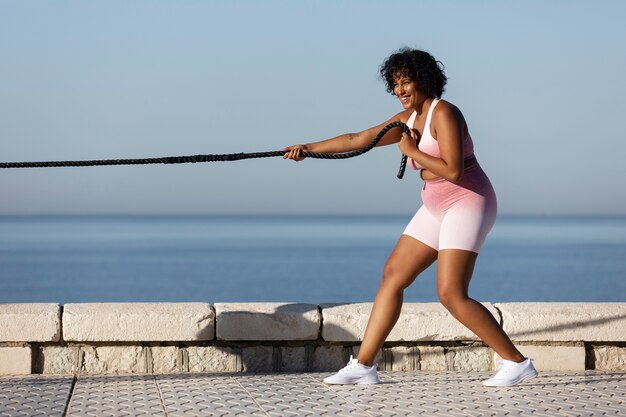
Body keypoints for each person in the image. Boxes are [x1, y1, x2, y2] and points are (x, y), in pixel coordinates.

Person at [283, 47, 538, 387]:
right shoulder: (408, 120)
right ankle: (363, 365)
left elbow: (452, 169)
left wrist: (412, 151)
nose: (400, 90)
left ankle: (516, 362)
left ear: (424, 80)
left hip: (468, 200)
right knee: (393, 274)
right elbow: (357, 139)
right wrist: (307, 149)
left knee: (450, 293)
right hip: (435, 204)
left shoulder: (445, 113)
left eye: (406, 82)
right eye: (395, 84)